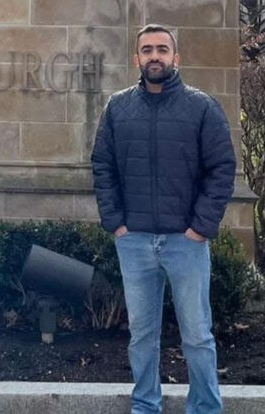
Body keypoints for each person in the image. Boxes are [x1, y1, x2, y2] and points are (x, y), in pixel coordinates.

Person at [91, 23, 236, 414]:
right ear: (136, 58)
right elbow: (102, 165)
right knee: (141, 335)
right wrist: (116, 223)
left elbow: (222, 168)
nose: (155, 56)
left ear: (176, 57)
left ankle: (205, 408)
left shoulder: (202, 107)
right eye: (147, 50)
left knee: (196, 335)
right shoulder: (118, 107)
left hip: (185, 243)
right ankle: (145, 406)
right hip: (134, 240)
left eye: (162, 49)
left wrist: (200, 228)